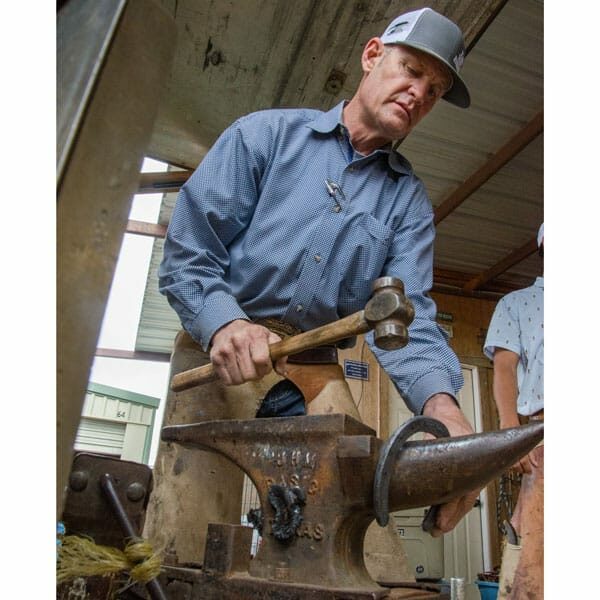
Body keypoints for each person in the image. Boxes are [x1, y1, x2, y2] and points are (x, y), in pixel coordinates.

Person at [146, 8, 480, 565]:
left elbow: (406, 321)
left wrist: (447, 414)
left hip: (315, 367)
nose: (419, 92)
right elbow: (188, 256)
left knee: (364, 550)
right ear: (373, 55)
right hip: (217, 352)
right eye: (410, 69)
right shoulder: (266, 136)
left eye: (435, 88)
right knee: (182, 542)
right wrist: (225, 322)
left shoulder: (408, 204)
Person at [483, 223, 544, 599]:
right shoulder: (518, 304)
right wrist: (511, 433)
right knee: (536, 539)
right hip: (545, 433)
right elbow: (504, 368)